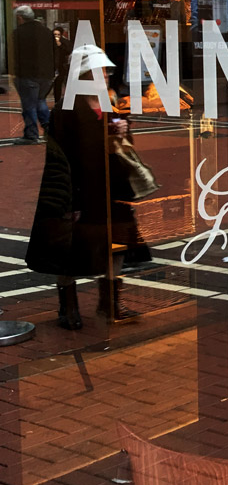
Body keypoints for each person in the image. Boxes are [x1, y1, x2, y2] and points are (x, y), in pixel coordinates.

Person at [26, 44, 142, 328]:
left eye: (105, 71)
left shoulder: (108, 105)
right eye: (98, 72)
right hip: (78, 189)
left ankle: (111, 303)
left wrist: (123, 130)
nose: (105, 77)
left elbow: (123, 146)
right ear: (83, 76)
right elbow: (60, 159)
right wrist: (70, 201)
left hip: (109, 186)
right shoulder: (66, 111)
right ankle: (68, 308)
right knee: (69, 247)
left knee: (117, 244)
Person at [11, 5, 55, 144]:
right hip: (46, 75)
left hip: (27, 74)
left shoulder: (18, 33)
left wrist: (15, 71)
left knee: (29, 105)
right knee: (40, 101)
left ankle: (31, 134)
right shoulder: (47, 31)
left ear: (20, 18)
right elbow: (55, 52)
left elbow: (14, 54)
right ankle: (50, 130)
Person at [51, 27, 70, 106]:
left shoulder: (64, 42)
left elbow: (69, 51)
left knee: (65, 83)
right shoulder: (50, 42)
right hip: (54, 66)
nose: (56, 36)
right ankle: (57, 101)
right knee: (56, 85)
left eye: (58, 34)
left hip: (63, 66)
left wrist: (61, 45)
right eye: (55, 34)